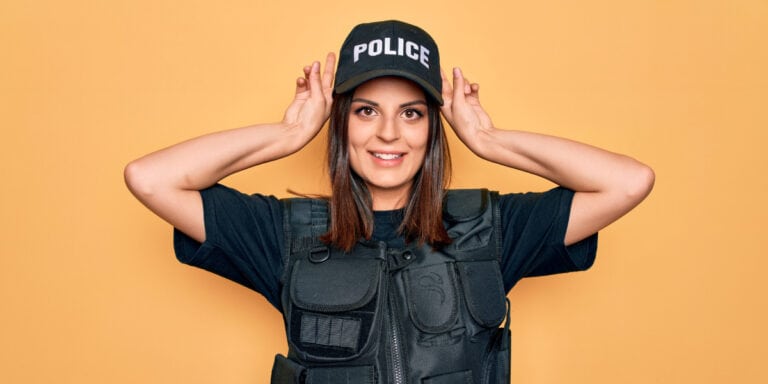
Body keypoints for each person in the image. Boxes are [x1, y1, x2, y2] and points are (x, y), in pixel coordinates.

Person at [125, 20, 654, 384]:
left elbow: (628, 182)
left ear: (432, 128)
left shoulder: (490, 229)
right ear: (341, 124)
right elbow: (150, 179)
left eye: (411, 113)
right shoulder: (282, 234)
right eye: (366, 111)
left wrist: (489, 141)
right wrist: (288, 135)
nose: (388, 134)